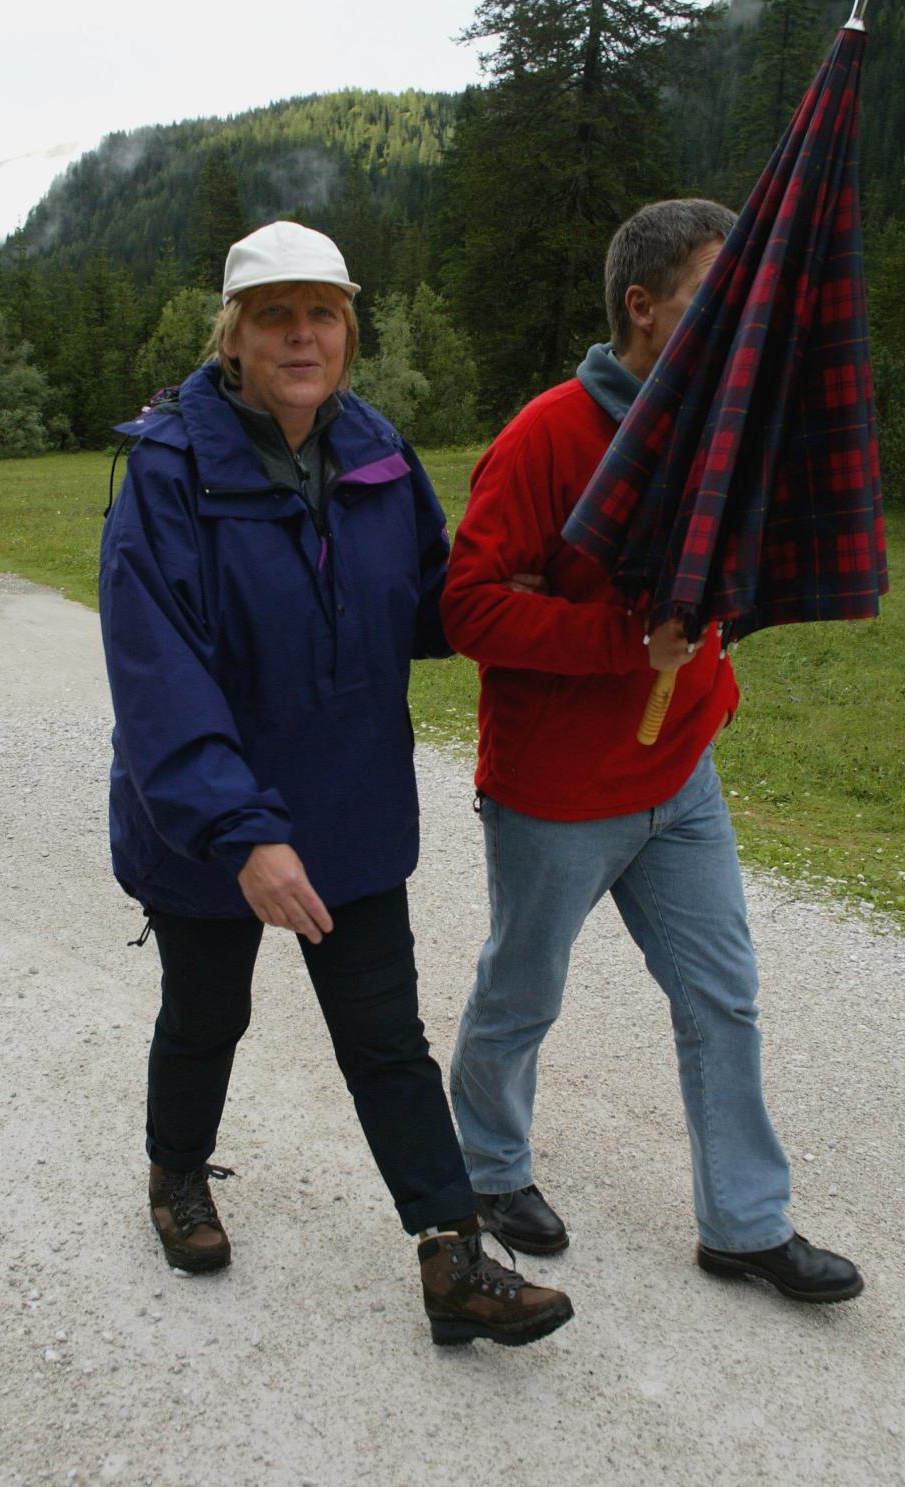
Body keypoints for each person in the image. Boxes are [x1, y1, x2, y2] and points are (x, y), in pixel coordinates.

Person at [98, 220, 572, 1348]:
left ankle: (452, 1252)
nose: (301, 334)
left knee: (383, 1033)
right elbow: (162, 679)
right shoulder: (168, 470)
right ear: (235, 333)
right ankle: (176, 1173)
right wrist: (243, 832)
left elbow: (422, 604)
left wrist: (546, 584)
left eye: (322, 312)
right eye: (276, 314)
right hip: (210, 828)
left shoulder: (375, 449)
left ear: (347, 330)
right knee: (209, 1011)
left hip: (349, 806)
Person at [440, 199, 863, 1304]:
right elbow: (470, 609)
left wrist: (710, 672)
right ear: (642, 306)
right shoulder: (544, 435)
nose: (738, 324)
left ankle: (745, 1222)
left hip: (680, 776)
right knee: (522, 993)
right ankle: (487, 1168)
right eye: (712, 300)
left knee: (722, 995)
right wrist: (620, 640)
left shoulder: (725, 430)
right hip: (557, 794)